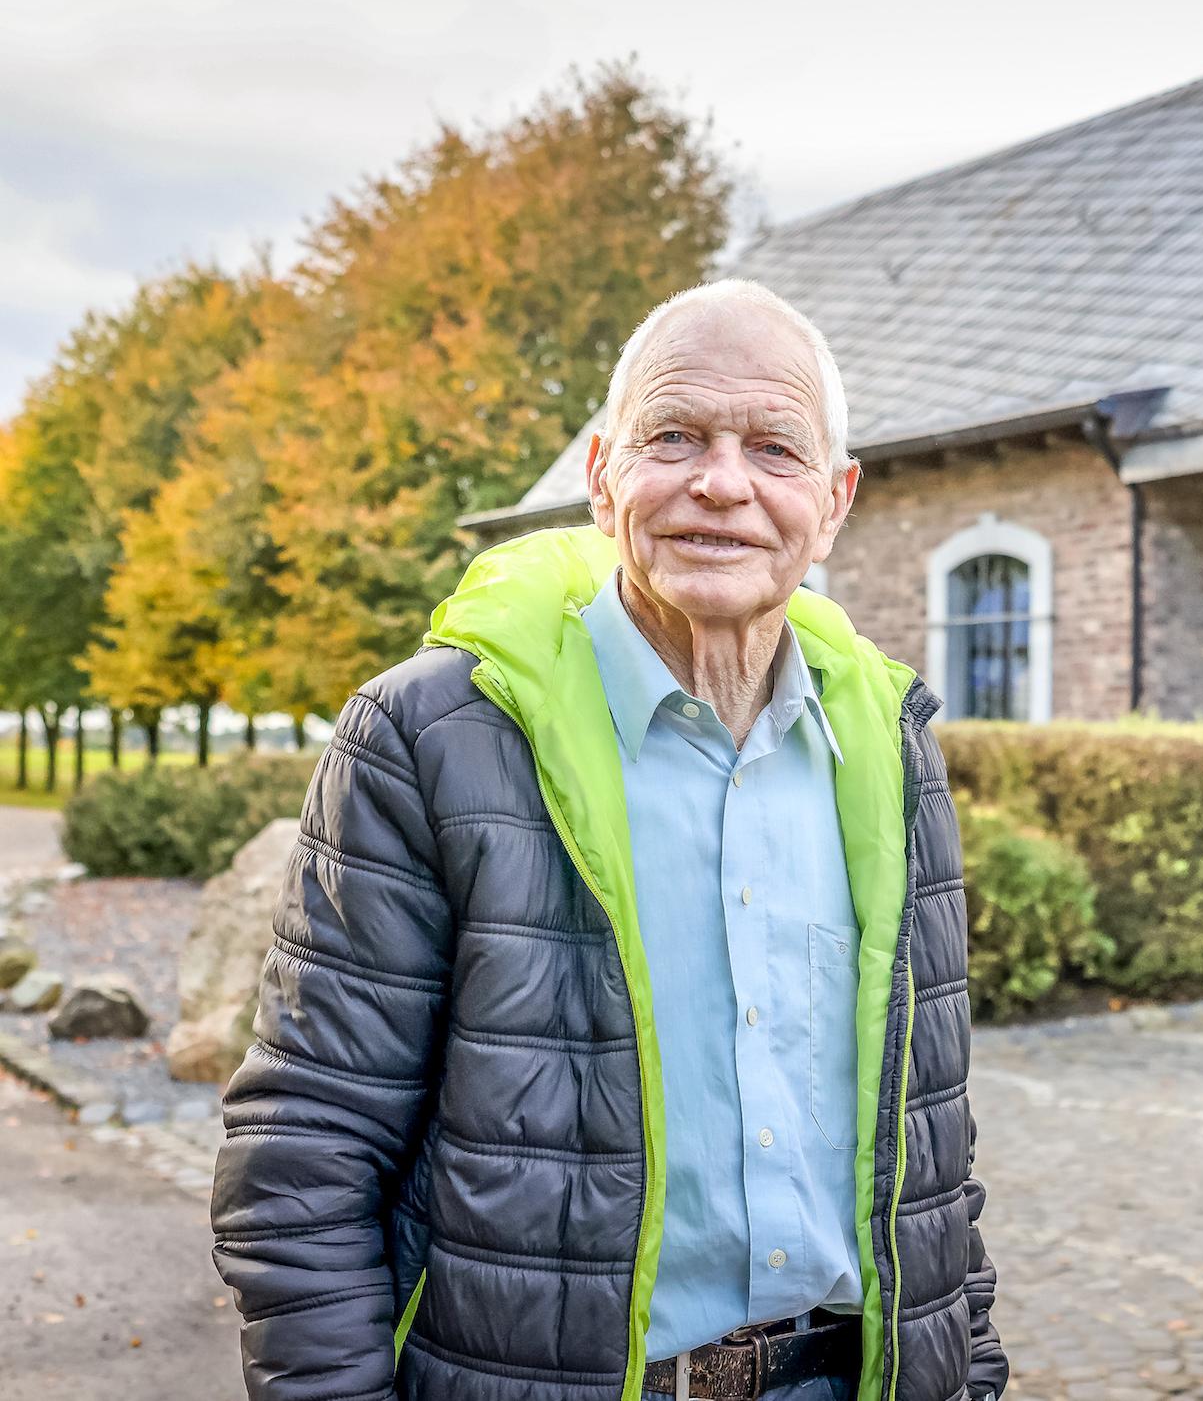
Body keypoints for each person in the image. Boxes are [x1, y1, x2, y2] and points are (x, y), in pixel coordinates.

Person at [210, 279, 1008, 1401]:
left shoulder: (890, 754)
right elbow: (304, 1152)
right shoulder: (433, 737)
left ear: (832, 501)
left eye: (773, 449)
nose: (720, 484)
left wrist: (966, 1376)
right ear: (600, 478)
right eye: (674, 436)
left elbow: (932, 1155)